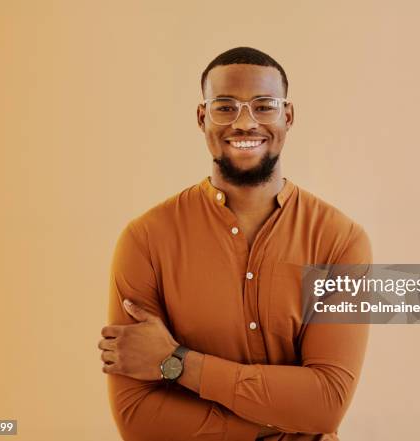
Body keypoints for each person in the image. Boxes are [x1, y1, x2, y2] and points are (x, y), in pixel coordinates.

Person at [98, 46, 372, 441]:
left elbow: (326, 403)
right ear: (202, 117)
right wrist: (282, 425)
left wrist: (176, 362)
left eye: (264, 106)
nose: (245, 123)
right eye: (225, 107)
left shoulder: (339, 240)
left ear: (288, 116)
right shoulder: (145, 240)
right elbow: (137, 419)